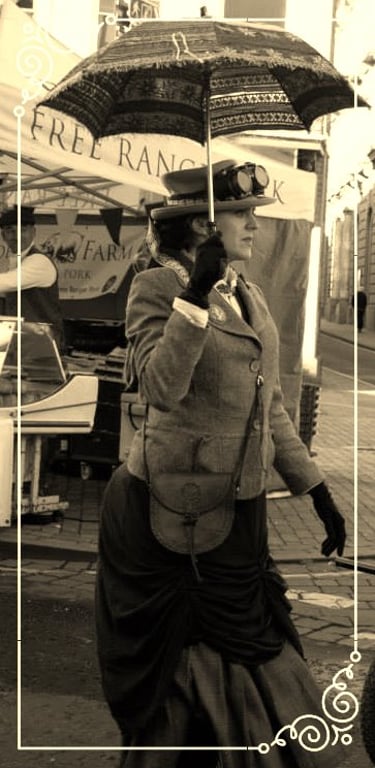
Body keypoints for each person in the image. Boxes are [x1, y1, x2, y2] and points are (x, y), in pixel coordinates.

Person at [96, 159, 347, 768]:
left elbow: (272, 405)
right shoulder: (158, 287)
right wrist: (193, 298)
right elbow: (161, 387)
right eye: (241, 214)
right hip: (171, 508)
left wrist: (316, 491)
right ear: (202, 225)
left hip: (239, 504)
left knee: (252, 630)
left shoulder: (248, 293)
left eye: (253, 214)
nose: (254, 225)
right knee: (194, 650)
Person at [0, 205, 65, 350]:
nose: (16, 236)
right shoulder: (14, 262)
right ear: (3, 236)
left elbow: (6, 282)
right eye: (10, 231)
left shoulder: (39, 261)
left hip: (43, 345)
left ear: (33, 232)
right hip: (21, 342)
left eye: (23, 230)